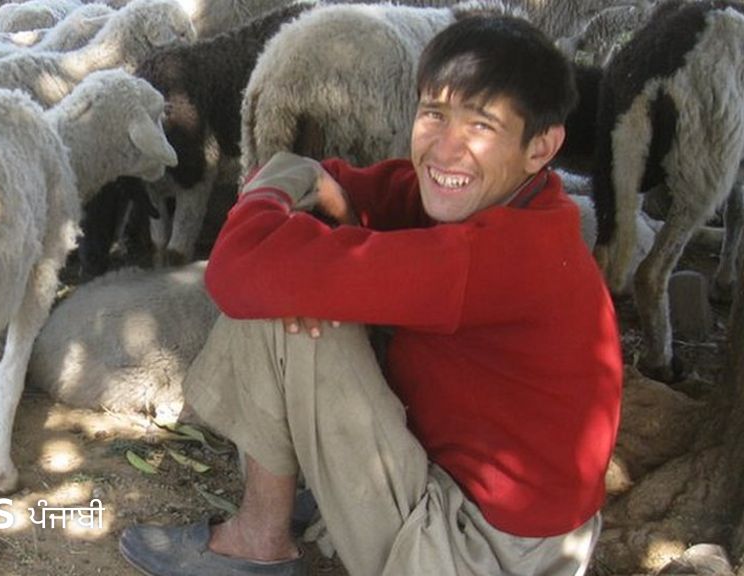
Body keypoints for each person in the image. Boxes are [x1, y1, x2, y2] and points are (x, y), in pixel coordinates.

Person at [119, 14, 622, 576]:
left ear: (540, 147)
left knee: (282, 303)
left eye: (481, 125)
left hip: (478, 553)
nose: (446, 148)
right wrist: (305, 184)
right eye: (434, 114)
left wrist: (280, 180)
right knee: (293, 281)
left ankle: (259, 540)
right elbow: (340, 180)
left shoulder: (491, 258)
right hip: (510, 525)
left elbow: (237, 269)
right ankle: (312, 499)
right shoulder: (519, 205)